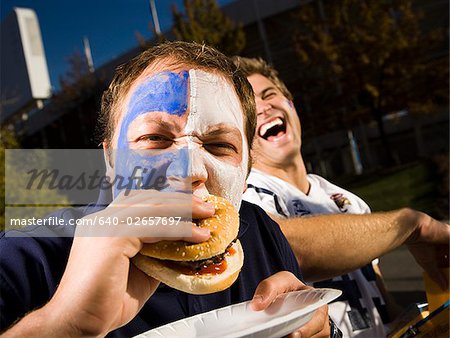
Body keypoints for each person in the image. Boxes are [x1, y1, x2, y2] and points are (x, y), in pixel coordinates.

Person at [0, 42, 332, 337]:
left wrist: (318, 331)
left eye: (218, 145)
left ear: (245, 173)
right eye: (155, 139)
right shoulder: (23, 258)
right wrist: (65, 325)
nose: (189, 171)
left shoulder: (260, 233)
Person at [232, 56, 450, 337]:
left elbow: (381, 302)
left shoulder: (346, 199)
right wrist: (409, 225)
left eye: (269, 94)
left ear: (292, 105)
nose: (264, 107)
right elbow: (287, 245)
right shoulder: (245, 194)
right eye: (251, 106)